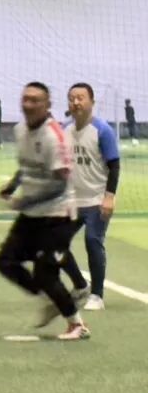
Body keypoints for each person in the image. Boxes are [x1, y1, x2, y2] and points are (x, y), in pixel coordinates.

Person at [0, 82, 89, 341]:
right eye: (25, 99)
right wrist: (12, 186)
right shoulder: (20, 130)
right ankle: (50, 299)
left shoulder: (53, 136)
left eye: (35, 100)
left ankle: (77, 325)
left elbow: (61, 184)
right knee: (5, 261)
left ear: (47, 105)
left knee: (45, 274)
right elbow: (27, 165)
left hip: (58, 215)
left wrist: (25, 201)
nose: (28, 104)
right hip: (32, 214)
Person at [59, 83, 120, 311]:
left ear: (91, 102)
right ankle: (80, 285)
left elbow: (114, 166)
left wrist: (109, 197)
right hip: (71, 201)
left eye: (80, 98)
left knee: (92, 240)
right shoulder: (64, 130)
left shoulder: (102, 131)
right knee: (54, 242)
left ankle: (97, 295)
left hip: (96, 200)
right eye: (71, 98)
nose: (75, 102)